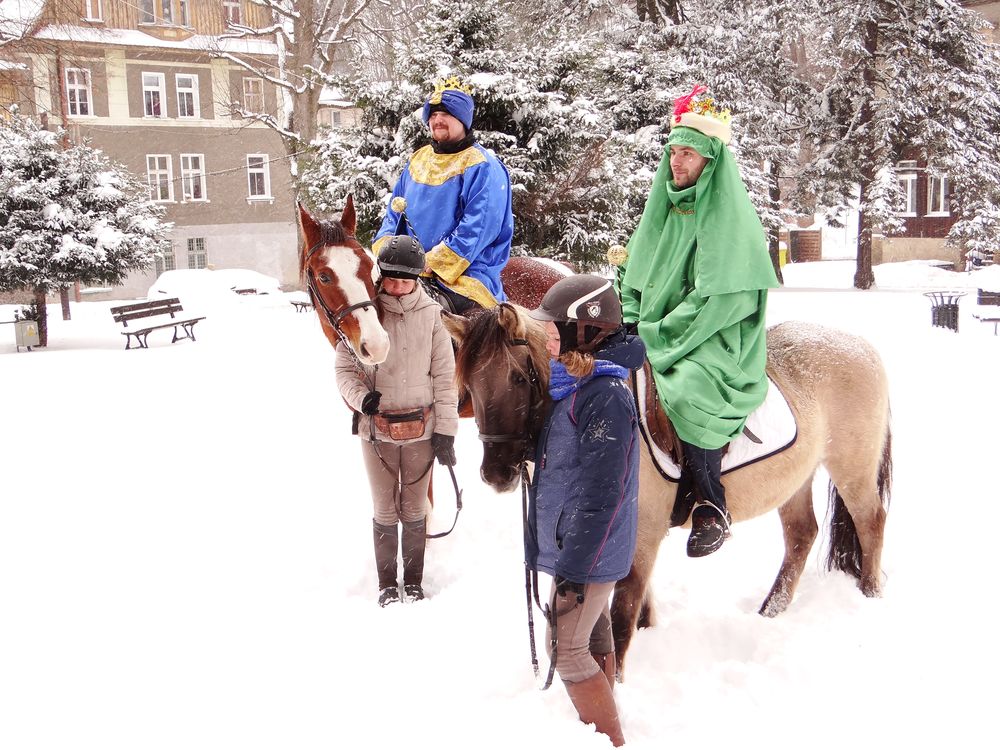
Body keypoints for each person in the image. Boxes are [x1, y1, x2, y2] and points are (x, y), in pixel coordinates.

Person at [614, 84, 779, 558]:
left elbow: (720, 302)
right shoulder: (665, 207)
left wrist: (654, 333)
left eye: (688, 153)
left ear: (711, 159)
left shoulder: (729, 218)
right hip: (655, 326)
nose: (677, 162)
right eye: (673, 152)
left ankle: (711, 502)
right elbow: (633, 273)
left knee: (689, 388)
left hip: (713, 334)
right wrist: (629, 318)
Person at [526, 274, 645, 747]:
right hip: (581, 541)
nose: (547, 338)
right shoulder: (577, 385)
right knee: (592, 631)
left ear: (585, 330)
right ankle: (602, 719)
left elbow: (603, 490)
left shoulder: (604, 396)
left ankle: (609, 738)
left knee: (566, 647)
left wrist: (576, 565)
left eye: (554, 329)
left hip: (589, 547)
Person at [335, 232, 459, 607]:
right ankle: (388, 585)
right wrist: (362, 399)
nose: (398, 287)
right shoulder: (367, 312)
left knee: (415, 508)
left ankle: (415, 582)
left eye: (406, 281)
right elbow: (345, 369)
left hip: (421, 429)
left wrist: (446, 432)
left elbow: (445, 377)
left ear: (416, 279)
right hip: (377, 431)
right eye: (391, 280)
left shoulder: (433, 316)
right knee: (385, 509)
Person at [373, 76, 514, 313]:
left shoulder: (482, 165)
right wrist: (388, 249)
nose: (437, 120)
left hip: (465, 273)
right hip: (408, 268)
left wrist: (434, 261)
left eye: (446, 114)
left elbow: (478, 226)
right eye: (433, 114)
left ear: (463, 119)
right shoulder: (418, 159)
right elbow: (394, 212)